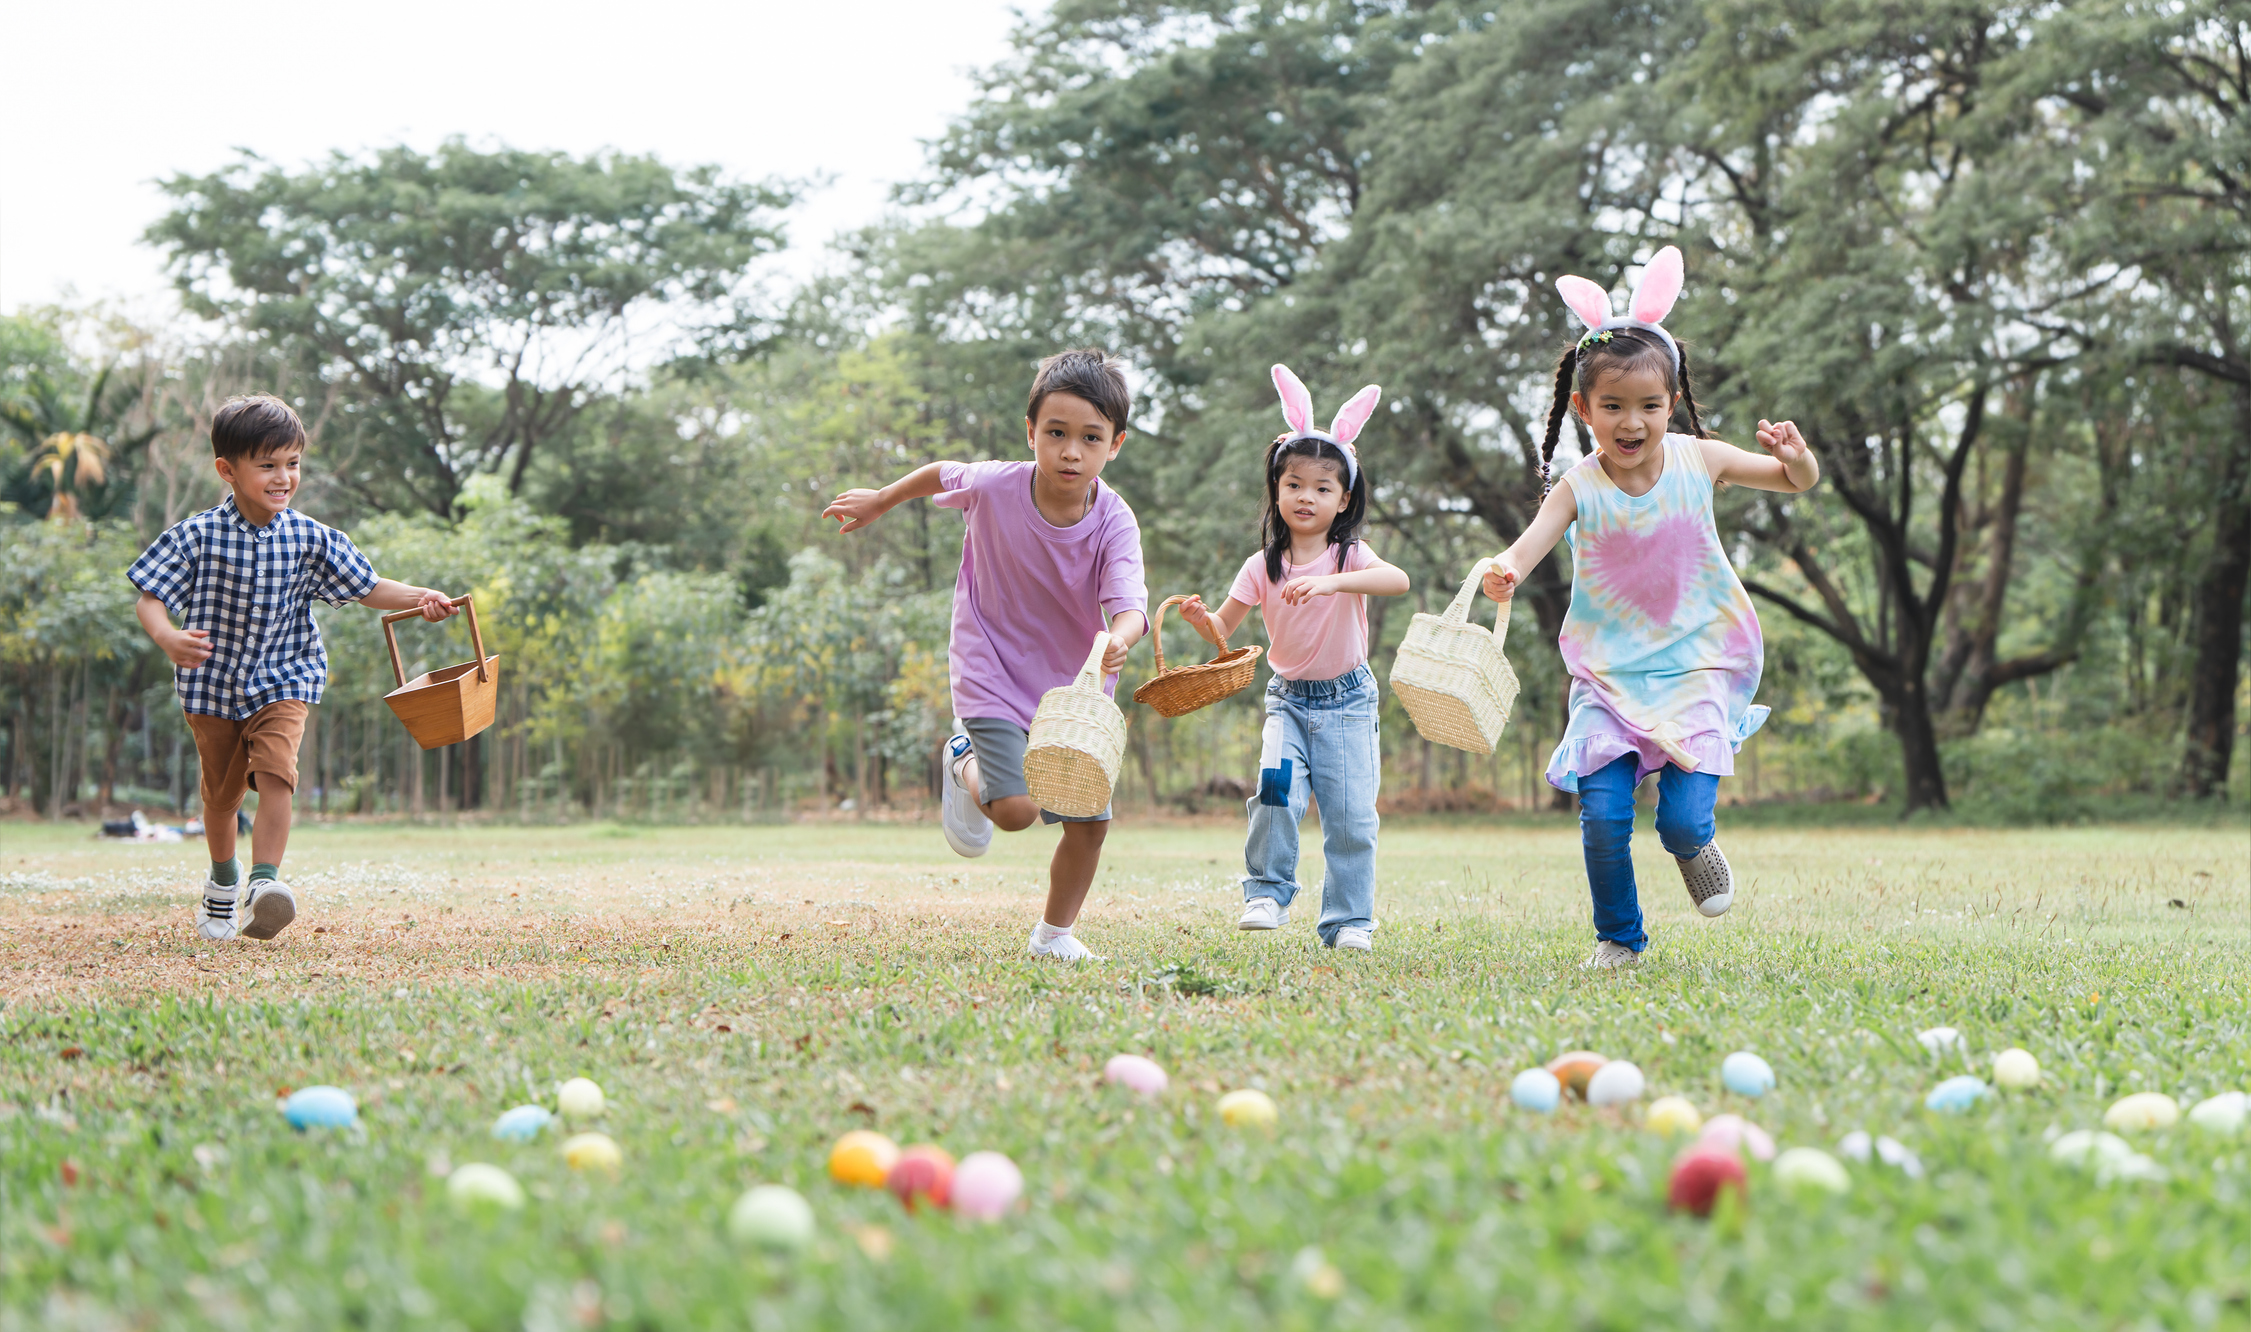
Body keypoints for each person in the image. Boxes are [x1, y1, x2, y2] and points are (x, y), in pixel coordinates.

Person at [1480, 246, 1818, 969]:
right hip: (1609, 672)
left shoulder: (1702, 459)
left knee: (1681, 816)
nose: (1630, 423)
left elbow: (1795, 482)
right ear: (1582, 409)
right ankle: (1619, 938)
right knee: (1602, 816)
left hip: (1697, 662)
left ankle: (1692, 845)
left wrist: (1796, 455)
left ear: (1671, 403)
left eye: (1648, 406)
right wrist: (1503, 571)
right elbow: (1528, 544)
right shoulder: (1579, 484)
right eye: (1611, 407)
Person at [822, 349, 1149, 961]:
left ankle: (1053, 937)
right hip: (989, 669)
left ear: (1116, 444)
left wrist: (1122, 640)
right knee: (1017, 812)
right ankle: (961, 755)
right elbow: (942, 473)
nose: (1070, 452)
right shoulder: (997, 485)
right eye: (1055, 434)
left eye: (1090, 438)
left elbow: (1129, 605)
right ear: (1031, 433)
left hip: (1070, 692)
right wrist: (882, 500)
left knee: (1091, 822)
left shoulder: (1114, 520)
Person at [128, 394, 461, 943]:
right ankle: (222, 882)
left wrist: (421, 596)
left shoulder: (312, 537)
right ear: (227, 470)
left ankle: (264, 884)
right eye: (268, 465)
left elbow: (370, 587)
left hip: (286, 676)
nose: (284, 477)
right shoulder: (196, 535)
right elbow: (149, 596)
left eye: (293, 463)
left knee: (278, 774)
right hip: (211, 686)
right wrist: (167, 636)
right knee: (220, 798)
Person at [1177, 366, 1410, 952]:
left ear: (1344, 498)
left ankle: (1349, 921)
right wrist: (1201, 620)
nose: (1307, 497)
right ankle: (1266, 892)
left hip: (1350, 701)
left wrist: (1335, 585)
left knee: (1352, 817)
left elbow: (1398, 580)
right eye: (1295, 485)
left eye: (1323, 488)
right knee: (1275, 789)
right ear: (1277, 491)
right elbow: (1223, 631)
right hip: (1288, 701)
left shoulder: (1349, 555)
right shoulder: (1262, 566)